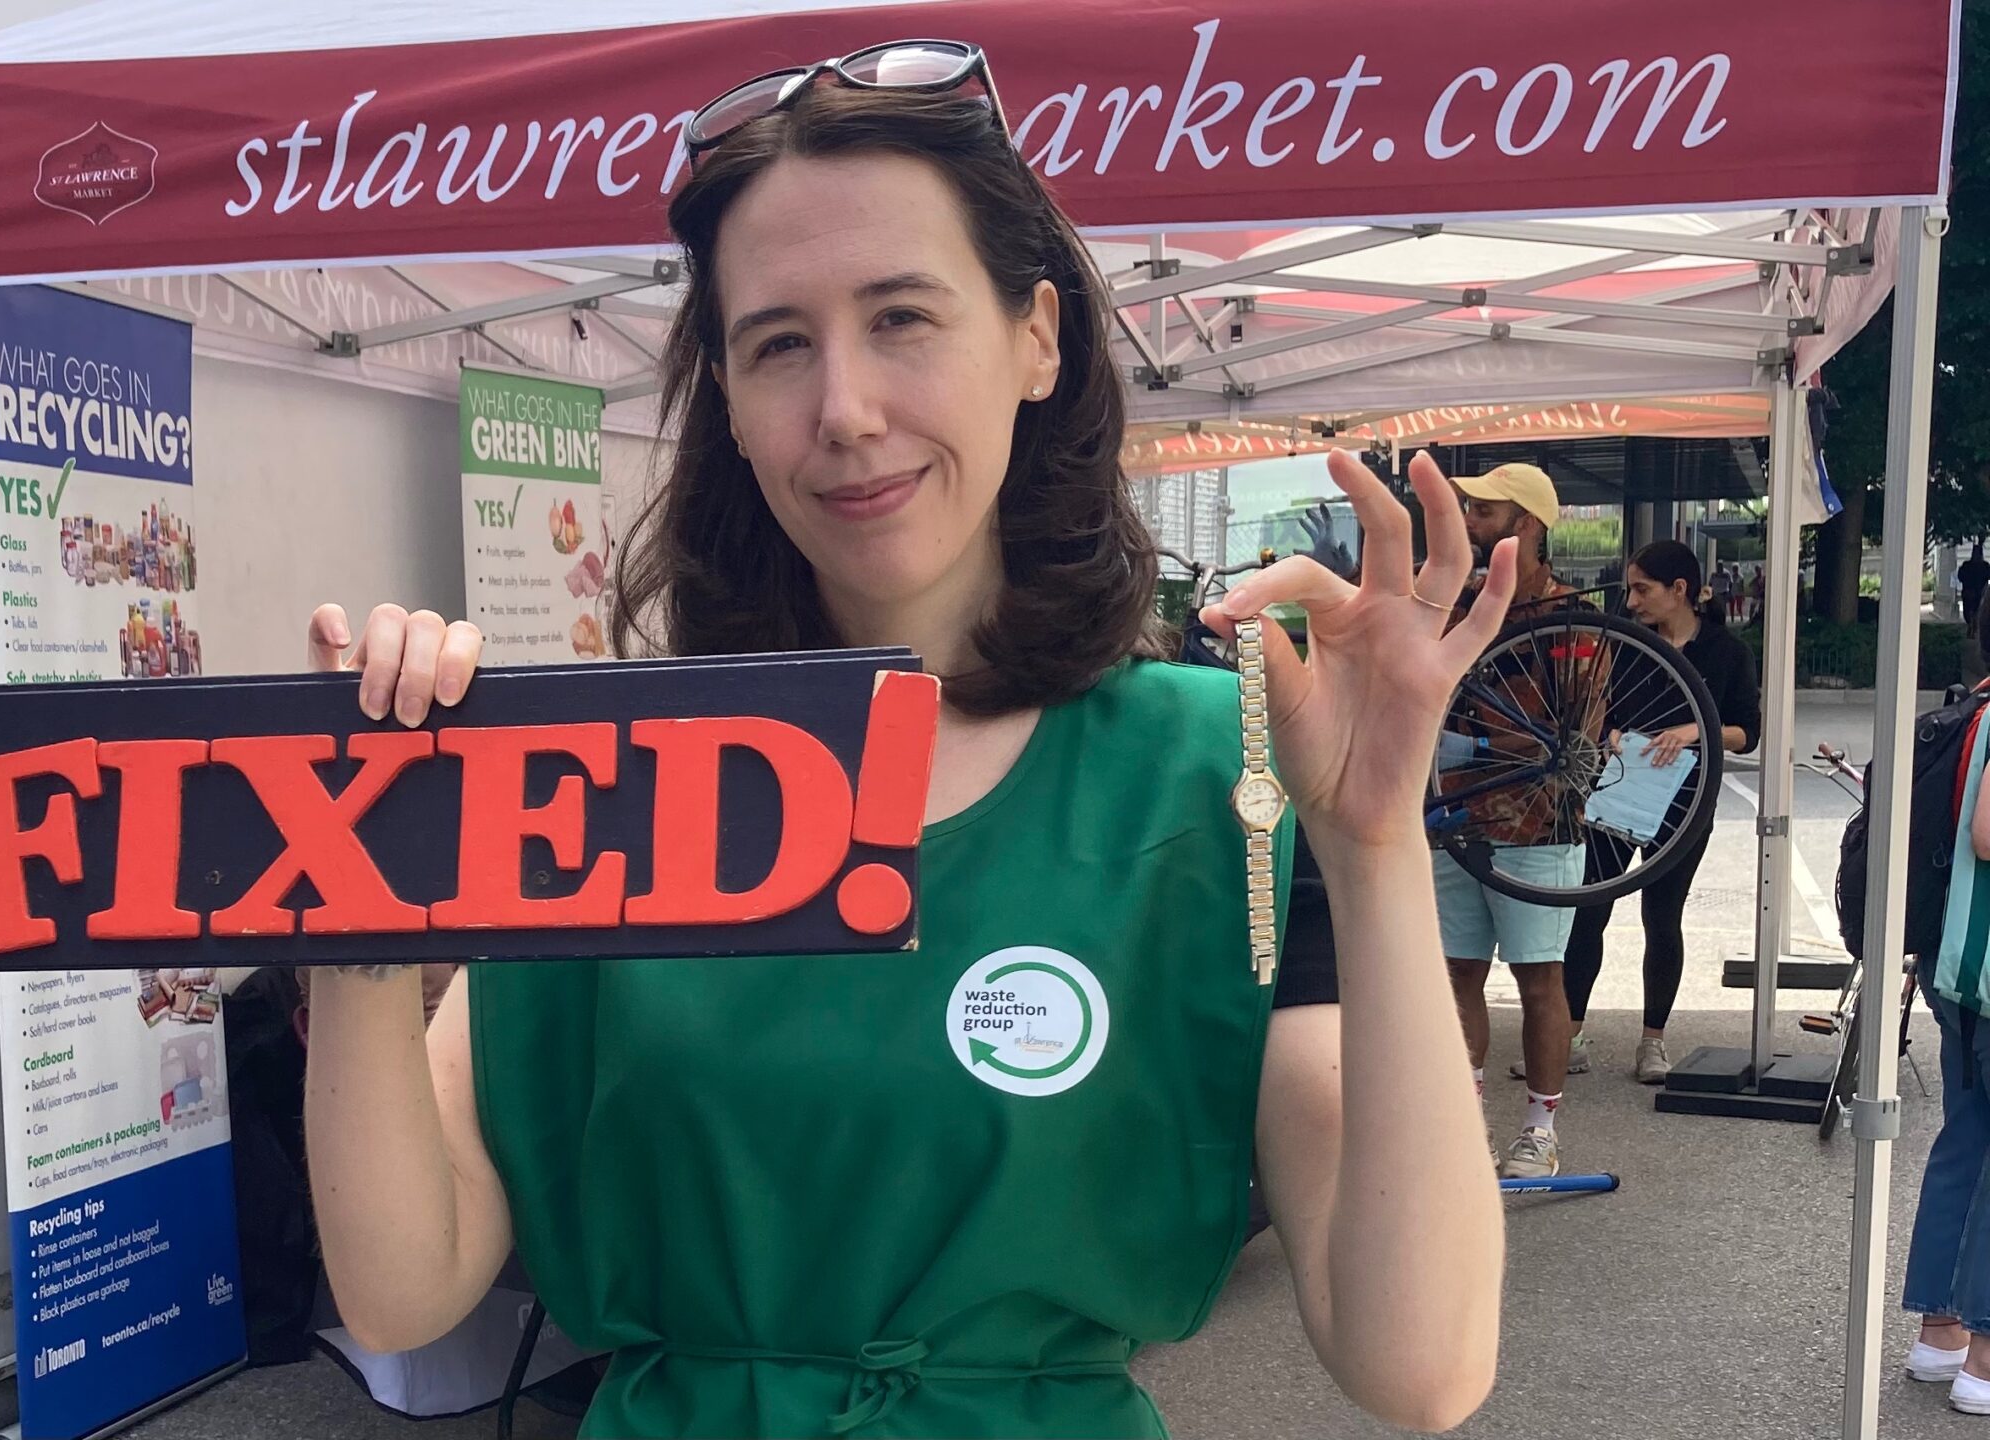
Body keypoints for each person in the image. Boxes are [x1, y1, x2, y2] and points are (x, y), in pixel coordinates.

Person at [299, 46, 1508, 1439]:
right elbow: (401, 1292)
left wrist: (1372, 847)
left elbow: (1420, 1367)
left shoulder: (1223, 781)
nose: (847, 411)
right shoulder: (607, 772)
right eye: (780, 345)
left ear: (1037, 339)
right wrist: (359, 909)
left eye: (902, 318)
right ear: (734, 407)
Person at [1432, 462, 1592, 1179]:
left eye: (1485, 513)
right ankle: (1466, 1128)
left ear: (1526, 526)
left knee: (1538, 977)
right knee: (1456, 970)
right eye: (1468, 509)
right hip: (1455, 811)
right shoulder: (1457, 603)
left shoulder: (1575, 618)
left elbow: (1579, 731)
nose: (1469, 521)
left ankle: (1540, 1126)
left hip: (1538, 822)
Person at [1555, 540, 1761, 1083]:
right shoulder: (1628, 643)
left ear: (1680, 591)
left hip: (1686, 800)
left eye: (1643, 589)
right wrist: (1609, 734)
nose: (1633, 600)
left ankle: (1653, 1042)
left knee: (1662, 917)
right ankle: (1568, 1035)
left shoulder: (1725, 651)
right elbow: (1598, 709)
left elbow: (1747, 733)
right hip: (1620, 787)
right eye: (1630, 588)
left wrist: (1696, 728)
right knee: (1590, 907)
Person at [1904, 709, 1990, 1413]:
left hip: (1959, 964)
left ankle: (1941, 1335)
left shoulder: (1968, 715)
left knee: (1965, 1137)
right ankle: (1985, 1362)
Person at [1962, 542, 1990, 634]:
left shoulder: (1967, 565)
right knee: (1976, 610)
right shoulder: (1984, 566)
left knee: (1971, 610)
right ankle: (1973, 625)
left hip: (1972, 592)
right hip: (1978, 593)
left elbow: (1961, 576)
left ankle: (1972, 625)